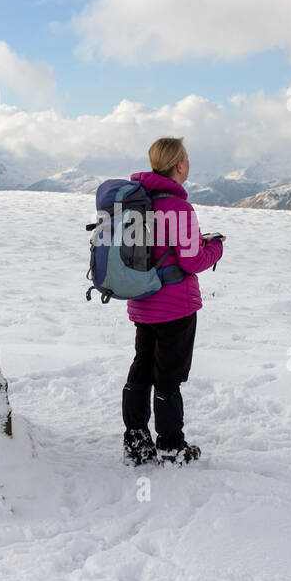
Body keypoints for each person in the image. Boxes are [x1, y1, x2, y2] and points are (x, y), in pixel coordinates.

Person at [122, 137, 225, 465]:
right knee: (168, 375)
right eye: (187, 158)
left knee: (141, 367)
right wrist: (216, 247)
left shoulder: (135, 201)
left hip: (141, 301)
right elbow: (190, 262)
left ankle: (136, 440)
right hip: (174, 307)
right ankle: (171, 446)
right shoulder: (178, 208)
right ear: (179, 165)